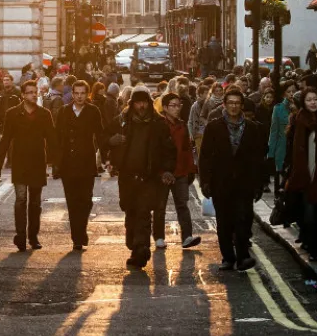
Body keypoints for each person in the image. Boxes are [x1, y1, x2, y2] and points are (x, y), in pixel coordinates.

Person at [199, 86, 267, 271]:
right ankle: (228, 257)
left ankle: (243, 257)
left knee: (244, 220)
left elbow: (257, 158)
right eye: (230, 103)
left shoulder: (253, 128)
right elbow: (205, 156)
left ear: (242, 106)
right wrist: (205, 181)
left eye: (237, 103)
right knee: (224, 221)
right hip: (221, 182)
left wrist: (259, 184)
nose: (234, 106)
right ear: (224, 105)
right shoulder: (214, 127)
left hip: (244, 183)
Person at [106, 86, 175, 269]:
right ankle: (134, 245)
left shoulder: (159, 124)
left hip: (149, 177)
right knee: (130, 211)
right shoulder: (123, 121)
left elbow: (169, 150)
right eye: (138, 102)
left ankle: (141, 248)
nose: (141, 106)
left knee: (144, 213)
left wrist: (167, 170)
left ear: (149, 103)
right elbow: (106, 137)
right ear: (132, 104)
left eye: (144, 102)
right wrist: (111, 143)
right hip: (127, 177)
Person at [0, 80, 58, 252]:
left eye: (34, 92)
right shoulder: (13, 114)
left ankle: (33, 236)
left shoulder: (44, 114)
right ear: (23, 95)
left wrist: (56, 163)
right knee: (21, 199)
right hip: (20, 162)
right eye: (29, 92)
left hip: (38, 162)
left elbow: (52, 139)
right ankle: (21, 236)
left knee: (35, 202)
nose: (33, 94)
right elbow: (5, 140)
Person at [284, 88, 317, 260]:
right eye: (309, 100)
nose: (313, 103)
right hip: (304, 175)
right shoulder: (299, 120)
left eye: (315, 99)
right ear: (303, 103)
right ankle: (314, 249)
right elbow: (293, 150)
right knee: (309, 215)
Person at [55, 80, 103, 250]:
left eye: (83, 93)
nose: (80, 96)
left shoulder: (93, 111)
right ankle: (77, 237)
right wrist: (55, 162)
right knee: (72, 201)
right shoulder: (63, 112)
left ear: (87, 94)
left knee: (86, 200)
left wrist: (105, 158)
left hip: (86, 163)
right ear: (72, 94)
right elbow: (57, 138)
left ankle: (80, 230)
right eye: (77, 93)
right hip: (68, 163)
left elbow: (100, 135)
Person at [157, 92, 201, 250]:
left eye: (179, 105)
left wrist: (191, 170)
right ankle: (159, 238)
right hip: (162, 173)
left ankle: (187, 237)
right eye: (173, 106)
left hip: (181, 172)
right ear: (165, 108)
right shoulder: (158, 125)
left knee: (182, 204)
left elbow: (187, 149)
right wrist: (160, 172)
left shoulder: (182, 125)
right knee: (160, 206)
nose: (177, 109)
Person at [268, 82, 297, 187]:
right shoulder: (278, 108)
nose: (291, 94)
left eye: (294, 91)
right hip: (282, 147)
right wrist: (271, 153)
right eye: (289, 92)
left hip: (296, 147)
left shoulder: (301, 108)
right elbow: (274, 131)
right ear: (284, 94)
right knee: (282, 177)